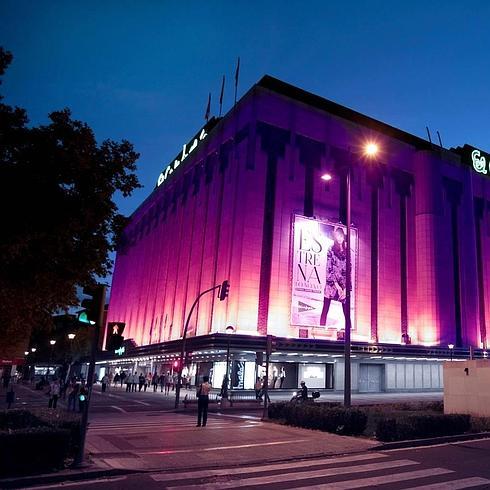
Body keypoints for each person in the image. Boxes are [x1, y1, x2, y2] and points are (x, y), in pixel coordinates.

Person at [320, 227, 349, 326]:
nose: (340, 238)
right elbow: (329, 268)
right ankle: (321, 330)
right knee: (325, 309)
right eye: (338, 236)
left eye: (341, 236)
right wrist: (336, 285)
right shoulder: (331, 249)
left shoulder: (347, 251)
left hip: (343, 286)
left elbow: (349, 270)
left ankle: (349, 336)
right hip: (332, 284)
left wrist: (345, 288)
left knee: (346, 313)